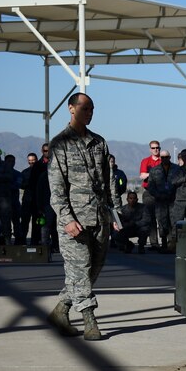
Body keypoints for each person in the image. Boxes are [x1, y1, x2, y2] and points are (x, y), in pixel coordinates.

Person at [46, 93, 122, 340]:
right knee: (80, 269)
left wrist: (115, 212)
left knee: (92, 270)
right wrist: (67, 218)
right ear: (71, 109)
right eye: (85, 108)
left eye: (92, 109)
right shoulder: (60, 144)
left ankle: (60, 310)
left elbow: (108, 179)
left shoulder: (98, 142)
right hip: (74, 221)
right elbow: (56, 187)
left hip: (99, 218)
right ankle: (90, 321)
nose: (90, 113)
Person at [146, 151, 175, 252]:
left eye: (166, 157)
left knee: (173, 222)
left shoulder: (176, 169)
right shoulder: (154, 170)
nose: (164, 159)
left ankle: (172, 244)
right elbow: (150, 186)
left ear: (170, 157)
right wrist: (158, 195)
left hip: (173, 200)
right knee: (162, 222)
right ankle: (163, 243)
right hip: (160, 201)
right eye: (162, 157)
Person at [139, 140, 162, 250]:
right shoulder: (145, 161)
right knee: (151, 219)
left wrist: (150, 174)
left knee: (162, 218)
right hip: (149, 193)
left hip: (162, 193)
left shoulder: (163, 160)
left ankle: (165, 242)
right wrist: (156, 173)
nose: (155, 149)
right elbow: (142, 175)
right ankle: (154, 243)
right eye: (153, 148)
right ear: (150, 149)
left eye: (157, 147)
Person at [19, 152, 42, 245]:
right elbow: (20, 184)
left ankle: (35, 241)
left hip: (37, 201)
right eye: (29, 161)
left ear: (36, 160)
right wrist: (28, 184)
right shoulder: (24, 172)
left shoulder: (42, 171)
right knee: (24, 221)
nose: (31, 162)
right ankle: (22, 240)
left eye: (33, 160)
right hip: (27, 201)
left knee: (37, 222)